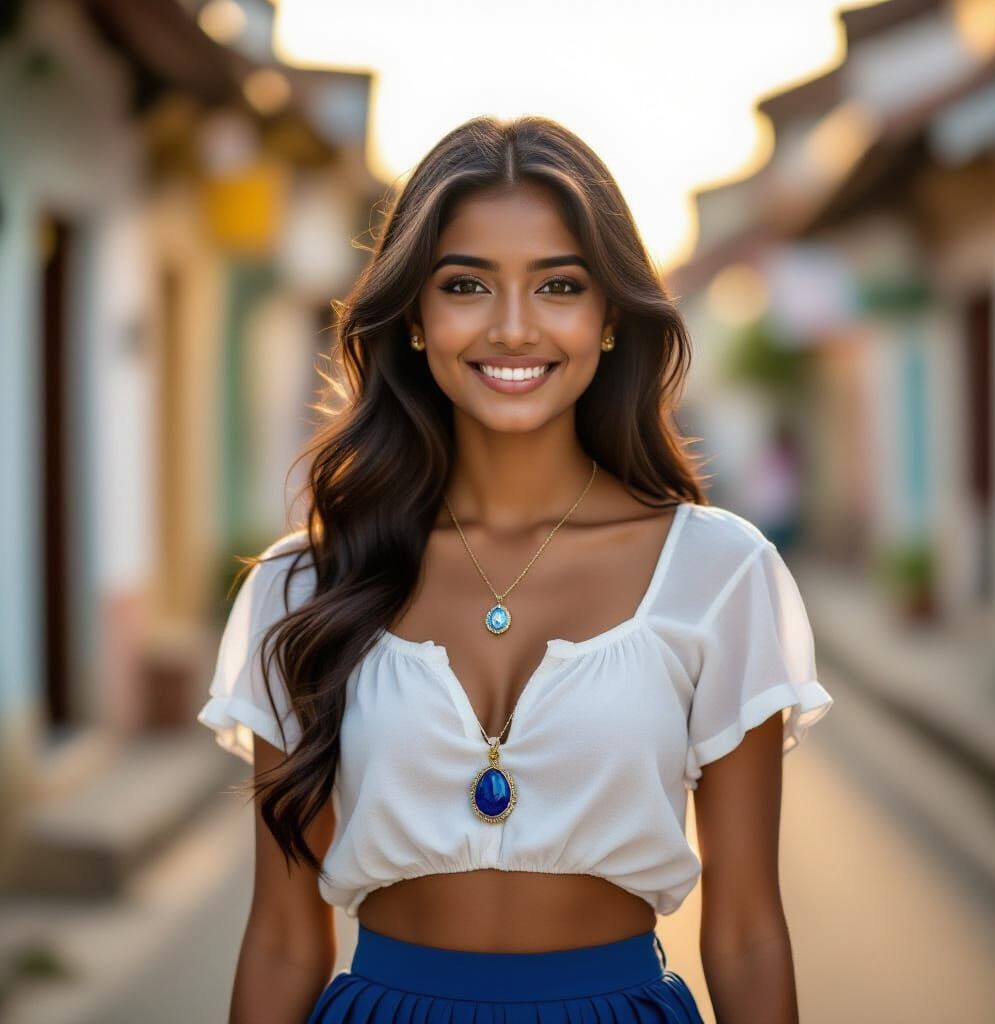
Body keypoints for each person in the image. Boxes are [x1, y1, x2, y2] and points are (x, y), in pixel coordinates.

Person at [197, 115, 834, 1024]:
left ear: (609, 316)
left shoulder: (718, 572)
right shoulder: (303, 587)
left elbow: (746, 932)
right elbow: (282, 938)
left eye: (559, 286)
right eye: (465, 285)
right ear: (414, 316)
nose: (512, 327)